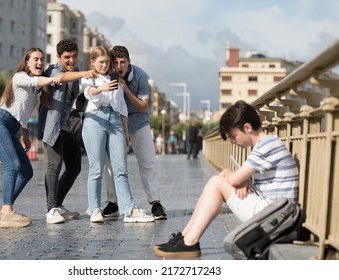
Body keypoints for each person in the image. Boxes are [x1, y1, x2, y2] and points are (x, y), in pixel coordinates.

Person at [153, 100, 299, 258]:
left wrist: (229, 173)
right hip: (273, 213)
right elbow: (240, 179)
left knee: (217, 182)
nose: (232, 142)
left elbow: (235, 179)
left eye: (233, 136)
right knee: (217, 181)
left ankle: (189, 241)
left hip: (276, 218)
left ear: (247, 128)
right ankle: (185, 237)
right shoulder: (267, 144)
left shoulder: (267, 144)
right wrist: (241, 180)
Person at [0, 48, 63, 228]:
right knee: (13, 166)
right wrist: (53, 79)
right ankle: (7, 211)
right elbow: (36, 81)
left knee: (26, 171)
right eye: (35, 59)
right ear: (27, 62)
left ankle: (4, 210)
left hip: (10, 128)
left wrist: (25, 135)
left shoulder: (33, 89)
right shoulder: (20, 77)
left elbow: (23, 113)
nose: (39, 63)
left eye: (42, 59)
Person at [81, 46, 155, 224]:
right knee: (96, 168)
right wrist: (102, 87)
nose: (105, 65)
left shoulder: (116, 79)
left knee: (121, 169)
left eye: (107, 62)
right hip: (94, 120)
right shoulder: (88, 78)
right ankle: (95, 209)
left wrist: (126, 132)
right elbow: (88, 93)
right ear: (92, 62)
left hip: (115, 121)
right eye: (101, 62)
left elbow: (122, 107)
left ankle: (129, 209)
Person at [102, 45, 167, 220]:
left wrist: (126, 90)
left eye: (123, 62)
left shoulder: (140, 75)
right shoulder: (106, 75)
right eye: (115, 62)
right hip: (114, 124)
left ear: (129, 62)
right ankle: (113, 202)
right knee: (110, 165)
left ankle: (155, 202)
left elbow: (143, 106)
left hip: (139, 123)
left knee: (147, 162)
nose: (119, 66)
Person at [39, 39, 95, 224]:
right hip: (52, 127)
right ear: (58, 57)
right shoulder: (52, 71)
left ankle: (58, 205)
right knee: (54, 166)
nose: (71, 60)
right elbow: (61, 78)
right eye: (67, 57)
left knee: (74, 167)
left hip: (67, 127)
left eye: (74, 56)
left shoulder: (74, 74)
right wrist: (83, 73)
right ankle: (51, 209)